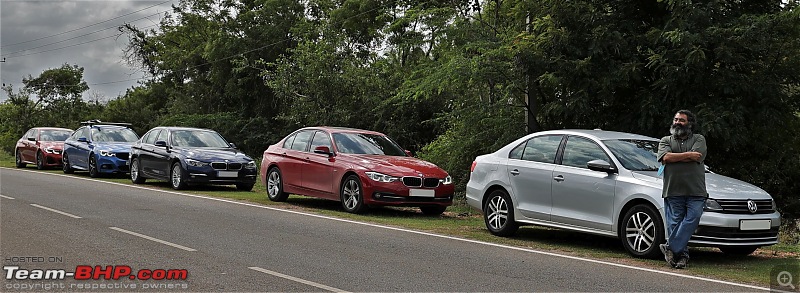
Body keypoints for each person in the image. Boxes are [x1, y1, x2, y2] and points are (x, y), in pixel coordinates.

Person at [656, 109, 707, 269]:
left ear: (690, 124)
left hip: (696, 190)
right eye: (676, 119)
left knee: (694, 217)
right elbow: (665, 158)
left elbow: (697, 156)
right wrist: (687, 155)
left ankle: (670, 247)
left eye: (682, 120)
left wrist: (675, 157)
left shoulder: (699, 138)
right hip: (673, 190)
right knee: (675, 224)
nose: (677, 122)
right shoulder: (666, 140)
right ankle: (681, 257)